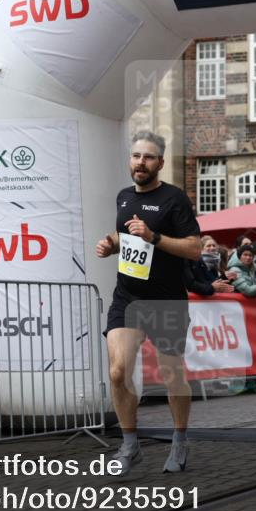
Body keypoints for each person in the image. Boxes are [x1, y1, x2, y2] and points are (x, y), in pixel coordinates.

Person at [95, 131, 201, 475]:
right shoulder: (124, 197)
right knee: (117, 371)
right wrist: (111, 243)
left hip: (166, 299)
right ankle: (130, 444)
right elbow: (123, 234)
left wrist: (153, 237)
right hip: (127, 296)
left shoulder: (175, 199)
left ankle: (180, 439)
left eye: (149, 157)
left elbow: (194, 249)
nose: (141, 162)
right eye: (136, 155)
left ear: (160, 163)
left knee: (172, 374)